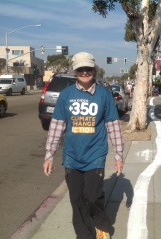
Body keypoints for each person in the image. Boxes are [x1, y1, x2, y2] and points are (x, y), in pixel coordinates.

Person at [43, 52, 124, 239]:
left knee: (93, 196)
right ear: (74, 71)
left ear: (94, 70)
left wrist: (118, 156)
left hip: (95, 155)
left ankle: (101, 226)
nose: (85, 72)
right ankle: (84, 235)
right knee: (77, 200)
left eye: (88, 68)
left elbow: (113, 127)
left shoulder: (104, 95)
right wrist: (49, 155)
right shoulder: (66, 96)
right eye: (81, 69)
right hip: (72, 157)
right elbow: (57, 126)